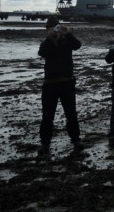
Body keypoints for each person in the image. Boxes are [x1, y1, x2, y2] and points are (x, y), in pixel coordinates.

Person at [37, 16, 83, 155]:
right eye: (50, 29)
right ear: (47, 30)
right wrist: (50, 38)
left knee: (71, 114)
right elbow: (42, 53)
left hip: (67, 82)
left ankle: (76, 140)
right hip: (50, 84)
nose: (54, 30)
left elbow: (78, 45)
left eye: (56, 27)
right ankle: (45, 143)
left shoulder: (66, 40)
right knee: (47, 116)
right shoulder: (46, 42)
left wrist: (67, 33)